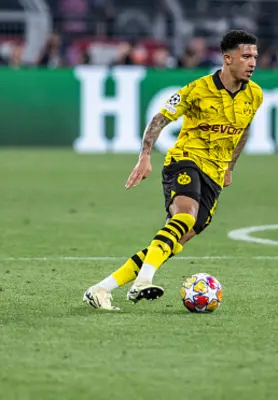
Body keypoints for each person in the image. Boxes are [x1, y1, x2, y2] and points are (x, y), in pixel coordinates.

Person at [83, 30, 263, 310]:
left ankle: (101, 289)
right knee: (185, 216)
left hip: (214, 174)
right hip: (184, 161)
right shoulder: (197, 90)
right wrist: (144, 156)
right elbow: (159, 118)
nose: (252, 62)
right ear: (228, 59)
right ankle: (142, 281)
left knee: (176, 239)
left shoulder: (254, 95)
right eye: (246, 56)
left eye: (254, 56)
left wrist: (230, 167)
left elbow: (245, 128)